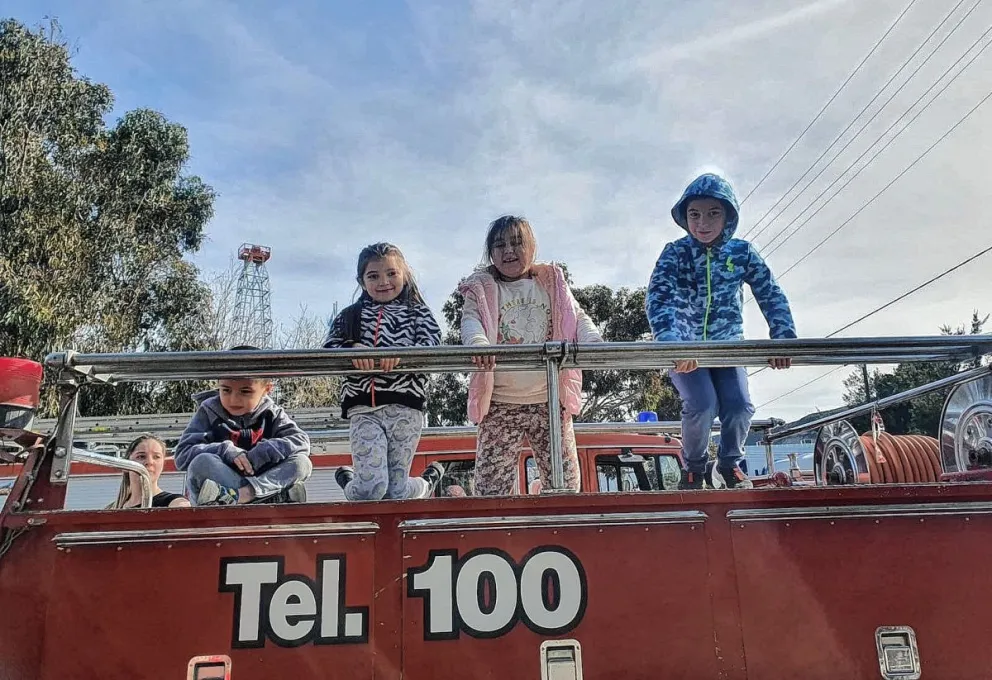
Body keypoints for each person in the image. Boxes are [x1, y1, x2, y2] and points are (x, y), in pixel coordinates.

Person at [646, 173, 796, 489]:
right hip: (686, 348)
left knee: (740, 405)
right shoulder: (676, 253)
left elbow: (769, 291)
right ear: (684, 217)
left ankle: (729, 465)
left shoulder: (741, 253)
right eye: (694, 214)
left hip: (729, 346)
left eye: (713, 213)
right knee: (702, 404)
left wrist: (783, 336)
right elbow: (658, 297)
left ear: (728, 215)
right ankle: (694, 468)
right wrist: (671, 344)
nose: (703, 222)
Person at [459, 215, 603, 495]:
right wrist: (478, 343)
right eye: (499, 245)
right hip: (501, 401)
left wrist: (593, 342)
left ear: (533, 247)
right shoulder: (483, 287)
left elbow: (577, 315)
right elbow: (471, 319)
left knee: (565, 483)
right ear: (491, 253)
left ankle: (561, 530)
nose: (509, 251)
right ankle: (495, 533)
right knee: (491, 488)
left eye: (517, 243)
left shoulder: (550, 282)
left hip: (548, 399)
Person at [324, 242, 444, 500]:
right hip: (364, 410)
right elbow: (328, 350)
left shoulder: (417, 312)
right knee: (371, 488)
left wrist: (403, 354)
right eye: (373, 276)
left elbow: (434, 344)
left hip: (405, 408)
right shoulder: (350, 316)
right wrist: (351, 347)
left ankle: (425, 483)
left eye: (392, 274)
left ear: (405, 275)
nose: (384, 282)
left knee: (396, 492)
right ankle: (349, 482)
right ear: (361, 280)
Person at [173, 348, 312, 506]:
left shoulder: (272, 413)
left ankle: (246, 495)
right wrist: (226, 451)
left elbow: (301, 441)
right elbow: (182, 455)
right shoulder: (208, 411)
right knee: (202, 462)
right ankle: (264, 497)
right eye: (226, 390)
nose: (234, 399)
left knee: (302, 463)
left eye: (245, 391)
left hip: (256, 483)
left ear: (267, 390)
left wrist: (264, 453)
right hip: (223, 483)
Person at [108, 434, 191, 509]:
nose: (150, 462)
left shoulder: (174, 503)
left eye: (156, 457)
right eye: (141, 456)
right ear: (126, 465)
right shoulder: (111, 509)